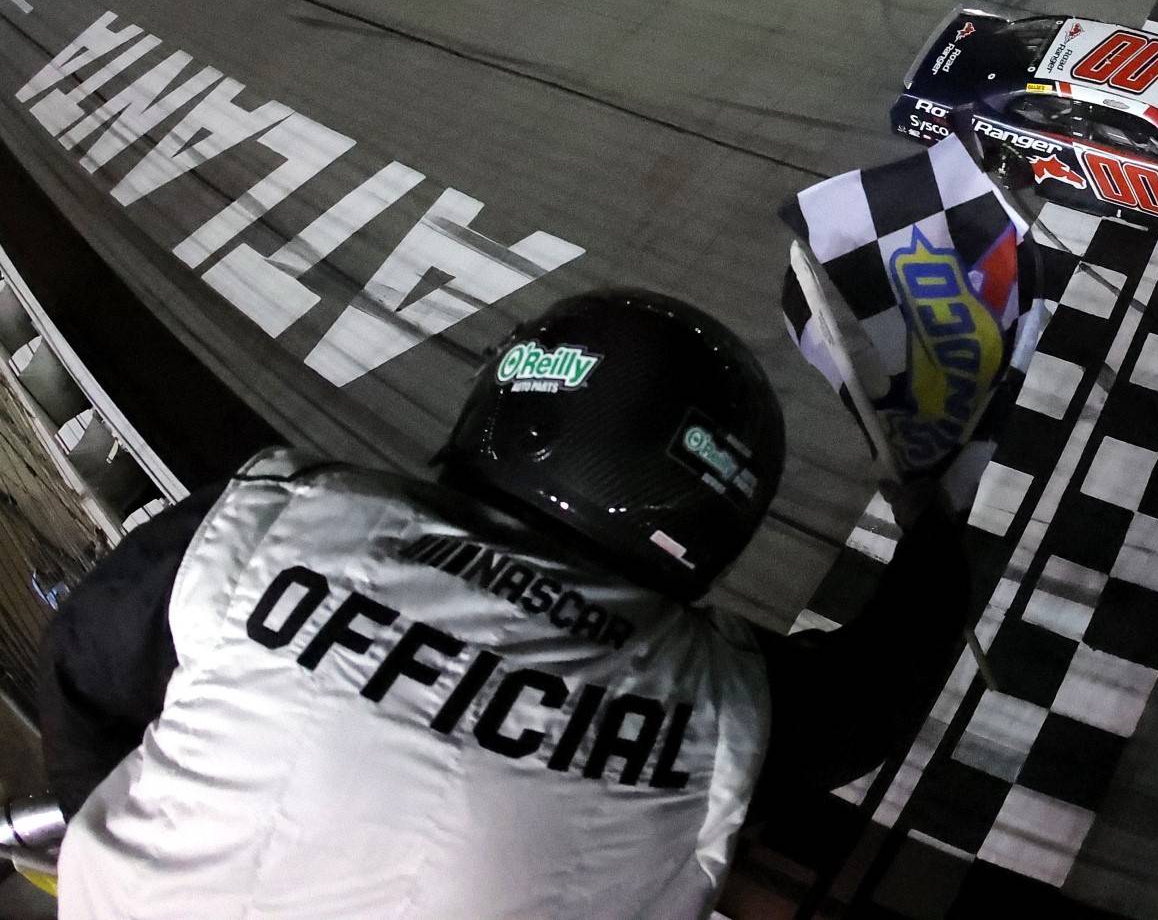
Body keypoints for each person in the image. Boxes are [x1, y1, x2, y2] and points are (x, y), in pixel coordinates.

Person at [37, 289, 975, 920]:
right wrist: (935, 502)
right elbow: (877, 694)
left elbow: (83, 663)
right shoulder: (717, 708)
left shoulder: (280, 518)